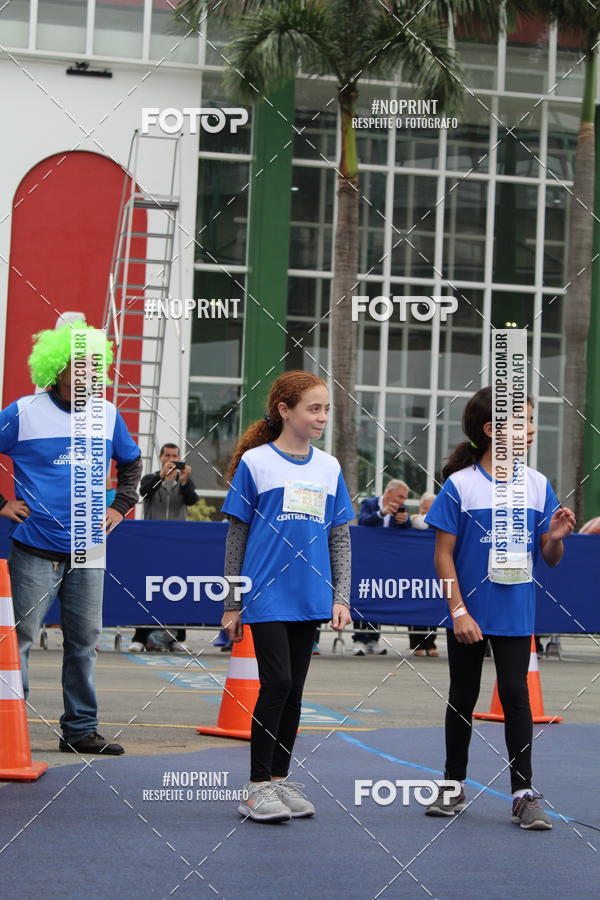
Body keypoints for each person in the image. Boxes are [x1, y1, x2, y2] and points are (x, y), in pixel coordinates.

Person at [423, 386, 575, 829]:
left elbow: (548, 556)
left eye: (530, 421)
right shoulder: (461, 486)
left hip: (515, 612)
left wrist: (555, 539)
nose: (529, 430)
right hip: (468, 615)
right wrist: (458, 612)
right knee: (462, 697)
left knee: (516, 696)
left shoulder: (537, 484)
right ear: (491, 430)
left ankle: (523, 793)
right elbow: (443, 555)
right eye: (521, 422)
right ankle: (452, 784)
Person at [0, 321, 142, 755]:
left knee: (83, 643)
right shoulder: (23, 412)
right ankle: (10, 731)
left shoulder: (108, 413)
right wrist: (1, 505)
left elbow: (132, 464)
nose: (90, 371)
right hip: (35, 548)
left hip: (89, 550)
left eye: (97, 363)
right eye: (81, 363)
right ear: (58, 366)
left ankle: (80, 730)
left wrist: (119, 507)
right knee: (19, 641)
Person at [220, 370, 354, 822]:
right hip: (266, 593)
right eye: (313, 409)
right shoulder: (256, 463)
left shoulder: (329, 467)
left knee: (294, 691)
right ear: (285, 410)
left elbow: (340, 537)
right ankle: (256, 787)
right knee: (276, 683)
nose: (322, 417)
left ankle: (279, 779)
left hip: (310, 594)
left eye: (326, 410)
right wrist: (232, 602)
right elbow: (236, 538)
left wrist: (341, 595)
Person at [128, 444, 197, 653]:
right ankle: (140, 637)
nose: (171, 459)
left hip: (177, 545)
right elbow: (143, 491)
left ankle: (178, 636)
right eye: (168, 456)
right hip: (152, 544)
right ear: (160, 457)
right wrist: (161, 475)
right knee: (146, 589)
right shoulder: (151, 479)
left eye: (175, 456)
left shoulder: (184, 482)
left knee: (179, 589)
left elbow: (192, 500)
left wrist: (184, 481)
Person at [354, 479, 412, 655]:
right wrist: (381, 513)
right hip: (366, 559)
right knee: (363, 596)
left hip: (386, 563)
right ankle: (358, 639)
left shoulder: (403, 509)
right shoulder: (370, 503)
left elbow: (406, 530)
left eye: (405, 498)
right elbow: (362, 521)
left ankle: (373, 639)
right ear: (389, 493)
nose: (403, 501)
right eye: (400, 496)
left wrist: (405, 521)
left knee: (378, 597)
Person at [407, 491, 439, 657]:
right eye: (424, 508)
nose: (427, 511)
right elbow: (421, 523)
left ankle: (431, 642)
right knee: (414, 606)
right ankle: (416, 644)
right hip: (415, 570)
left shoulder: (439, 521)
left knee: (431, 606)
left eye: (430, 509)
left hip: (432, 569)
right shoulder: (414, 519)